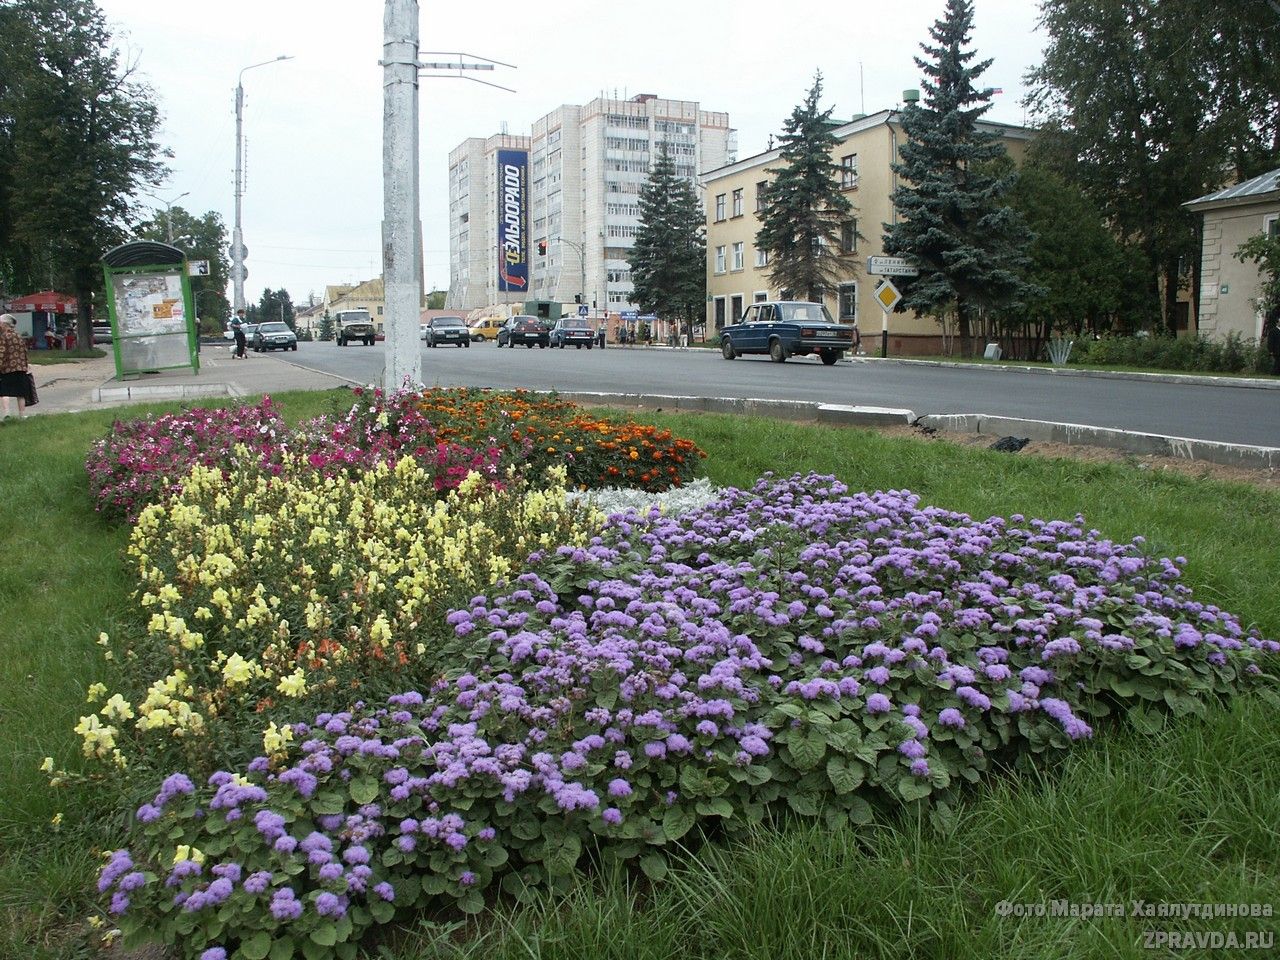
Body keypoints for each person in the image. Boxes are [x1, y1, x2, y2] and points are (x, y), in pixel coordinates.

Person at [0, 314, 32, 419]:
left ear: (5, 324)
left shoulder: (4, 337)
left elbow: (2, 353)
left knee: (4, 392)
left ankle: (7, 413)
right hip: (21, 368)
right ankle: (22, 415)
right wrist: (26, 365)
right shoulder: (19, 336)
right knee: (20, 393)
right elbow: (24, 352)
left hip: (7, 369)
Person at [1266, 305, 1280, 376]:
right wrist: (1271, 350)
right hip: (1276, 350)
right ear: (1277, 323)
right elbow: (1270, 341)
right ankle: (1273, 374)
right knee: (1277, 363)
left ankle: (1277, 374)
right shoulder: (1273, 331)